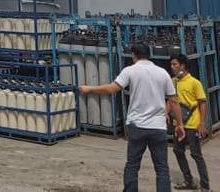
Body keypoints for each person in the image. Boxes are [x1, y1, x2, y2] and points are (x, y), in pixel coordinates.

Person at [80, 43, 185, 192]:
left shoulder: (130, 71)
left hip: (137, 126)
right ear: (149, 55)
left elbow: (111, 89)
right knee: (162, 168)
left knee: (132, 165)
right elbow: (173, 101)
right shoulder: (162, 73)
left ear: (134, 56)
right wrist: (180, 124)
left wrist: (89, 88)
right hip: (158, 127)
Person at [170, 54, 210, 191]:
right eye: (171, 64)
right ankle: (188, 181)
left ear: (183, 65)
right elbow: (171, 101)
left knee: (196, 154)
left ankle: (205, 186)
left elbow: (202, 103)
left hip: (192, 124)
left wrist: (202, 123)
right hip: (178, 124)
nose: (172, 67)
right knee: (178, 151)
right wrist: (164, 114)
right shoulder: (173, 82)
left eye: (175, 64)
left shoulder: (194, 83)